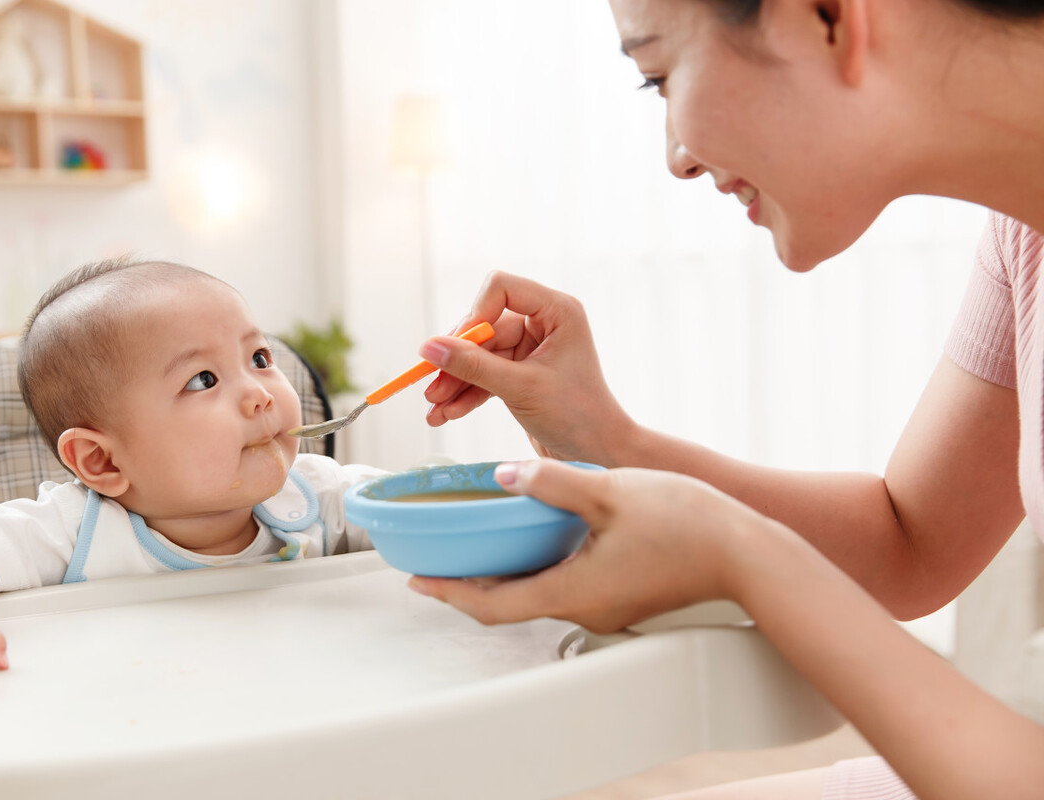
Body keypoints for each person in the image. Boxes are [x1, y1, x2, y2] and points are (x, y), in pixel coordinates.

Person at [407, 1, 1044, 798]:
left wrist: (738, 552)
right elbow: (910, 543)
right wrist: (607, 438)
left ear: (828, 18)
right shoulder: (1026, 233)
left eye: (660, 75)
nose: (676, 156)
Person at [0, 258, 384, 706]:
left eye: (259, 358)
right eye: (204, 379)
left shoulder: (315, 493)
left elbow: (425, 508)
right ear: (102, 462)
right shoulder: (74, 530)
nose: (260, 393)